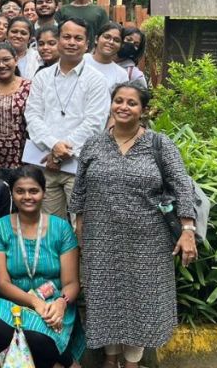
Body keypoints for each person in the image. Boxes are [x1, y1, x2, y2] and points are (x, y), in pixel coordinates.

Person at [71, 82, 198, 368]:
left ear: (143, 110)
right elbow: (79, 190)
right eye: (118, 101)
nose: (123, 107)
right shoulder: (94, 144)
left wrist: (187, 230)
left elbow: (182, 186)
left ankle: (132, 362)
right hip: (101, 237)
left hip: (148, 239)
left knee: (140, 300)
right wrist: (80, 227)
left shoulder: (159, 143)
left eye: (131, 103)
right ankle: (110, 357)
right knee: (106, 298)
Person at [0, 166, 84, 368]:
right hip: (16, 302)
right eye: (20, 191)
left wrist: (61, 304)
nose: (27, 196)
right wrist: (33, 302)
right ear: (12, 193)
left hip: (53, 304)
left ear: (44, 193)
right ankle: (65, 362)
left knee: (40, 338)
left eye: (33, 191)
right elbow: (2, 283)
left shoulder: (61, 228)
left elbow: (72, 282)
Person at [24, 17, 109, 218]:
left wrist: (60, 153)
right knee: (50, 228)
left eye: (78, 38)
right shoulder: (42, 77)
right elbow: (32, 115)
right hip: (45, 165)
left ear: (88, 44)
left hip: (79, 166)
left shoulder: (96, 80)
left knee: (80, 226)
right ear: (58, 40)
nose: (72, 42)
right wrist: (54, 146)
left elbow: (94, 124)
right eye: (67, 37)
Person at [83, 22, 130, 94]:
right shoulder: (81, 60)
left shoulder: (121, 74)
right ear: (96, 39)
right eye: (107, 37)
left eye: (116, 40)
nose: (111, 42)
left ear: (121, 46)